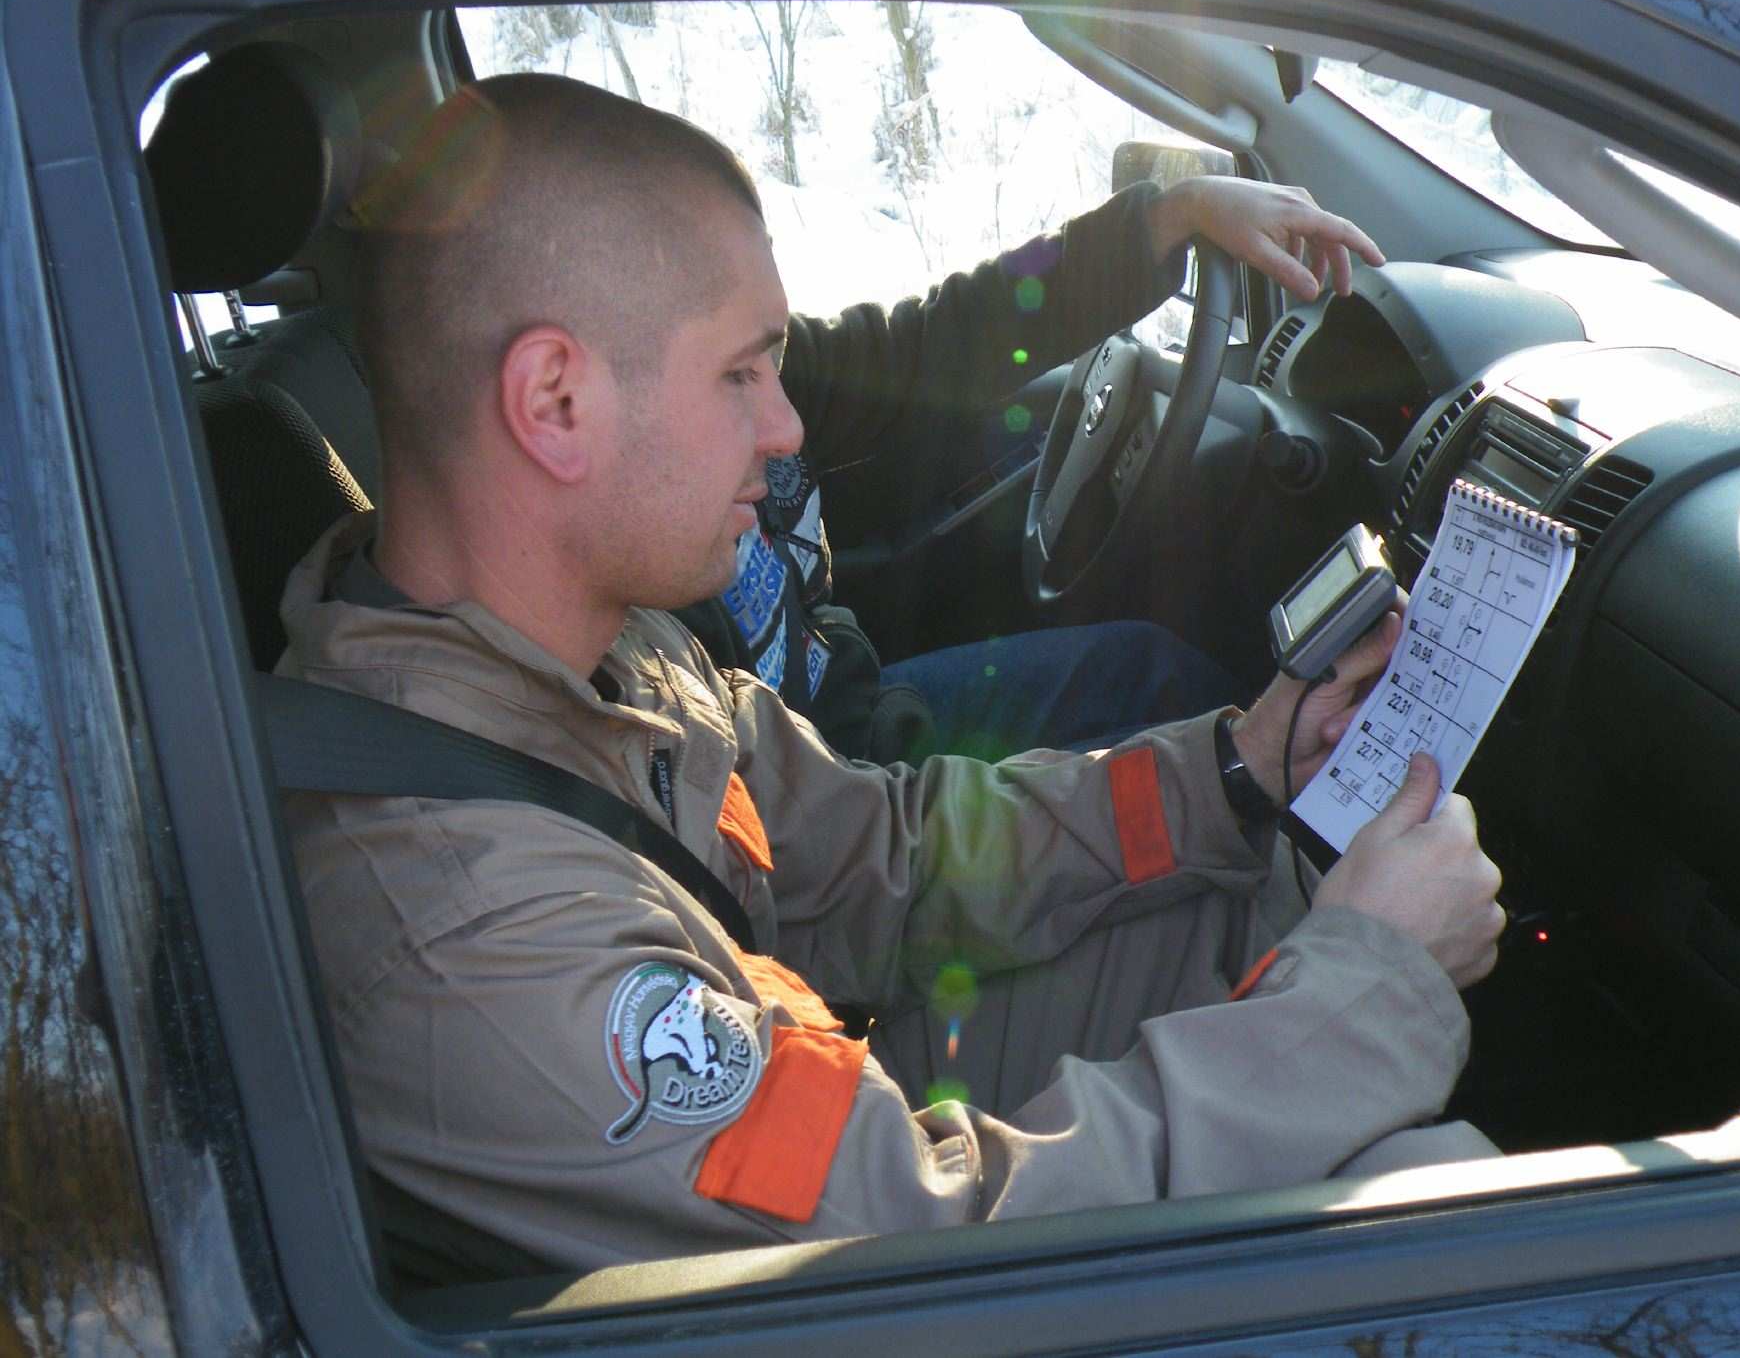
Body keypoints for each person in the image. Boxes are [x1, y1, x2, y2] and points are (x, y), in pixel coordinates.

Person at [281, 73, 1503, 1270]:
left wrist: (1229, 773)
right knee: (1421, 1195)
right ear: (553, 400)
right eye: (741, 373)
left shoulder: (601, 654)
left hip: (822, 1072)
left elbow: (881, 857)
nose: (788, 426)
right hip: (881, 1252)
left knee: (1259, 895)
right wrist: (1369, 984)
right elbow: (925, 1251)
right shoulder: (471, 929)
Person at [678, 170, 1372, 764]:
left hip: (855, 709)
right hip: (845, 788)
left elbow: (937, 339)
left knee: (1157, 673)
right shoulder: (652, 649)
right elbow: (833, 843)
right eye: (738, 374)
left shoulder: (764, 383)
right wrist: (1229, 781)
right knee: (1211, 738)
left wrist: (1169, 218)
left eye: (773, 359)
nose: (788, 425)